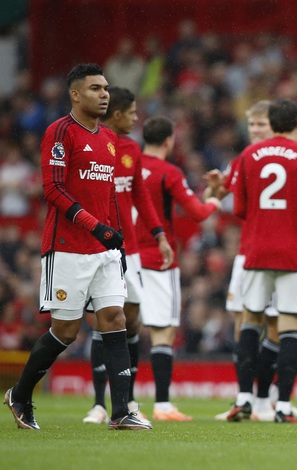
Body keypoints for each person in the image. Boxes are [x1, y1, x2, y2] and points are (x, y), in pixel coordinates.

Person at [3, 63, 150, 430]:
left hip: (105, 250)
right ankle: (19, 394)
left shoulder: (109, 139)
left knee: (114, 319)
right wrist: (95, 226)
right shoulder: (59, 132)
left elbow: (109, 196)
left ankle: (121, 412)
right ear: (75, 94)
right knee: (66, 331)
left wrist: (117, 239)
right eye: (96, 89)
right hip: (67, 247)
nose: (104, 95)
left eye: (106, 89)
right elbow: (52, 189)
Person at [206, 101, 297, 423]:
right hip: (294, 253)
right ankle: (283, 406)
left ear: (271, 124)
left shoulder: (248, 156)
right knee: (290, 325)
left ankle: (245, 398)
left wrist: (262, 221)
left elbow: (238, 209)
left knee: (250, 321)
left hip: (256, 251)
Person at [82, 86, 174, 425]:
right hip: (99, 247)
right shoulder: (94, 144)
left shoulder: (132, 149)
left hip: (130, 250)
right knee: (101, 319)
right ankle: (98, 403)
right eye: (132, 113)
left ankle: (129, 396)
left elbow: (141, 198)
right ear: (117, 114)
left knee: (130, 318)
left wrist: (159, 234)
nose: (137, 118)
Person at [137, 116, 221, 421]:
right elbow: (198, 213)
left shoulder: (126, 168)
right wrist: (214, 201)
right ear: (169, 141)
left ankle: (112, 404)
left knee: (122, 328)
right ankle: (161, 405)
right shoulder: (168, 172)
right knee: (163, 331)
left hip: (125, 257)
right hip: (158, 260)